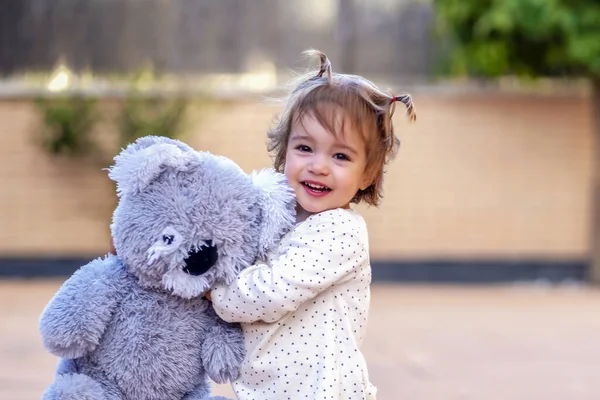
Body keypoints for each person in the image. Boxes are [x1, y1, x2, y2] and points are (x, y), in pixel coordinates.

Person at [210, 49, 416, 400]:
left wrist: (210, 282)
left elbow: (269, 293)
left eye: (340, 156)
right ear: (284, 151)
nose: (319, 166)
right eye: (305, 147)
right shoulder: (280, 221)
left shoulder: (340, 231)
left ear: (367, 173)